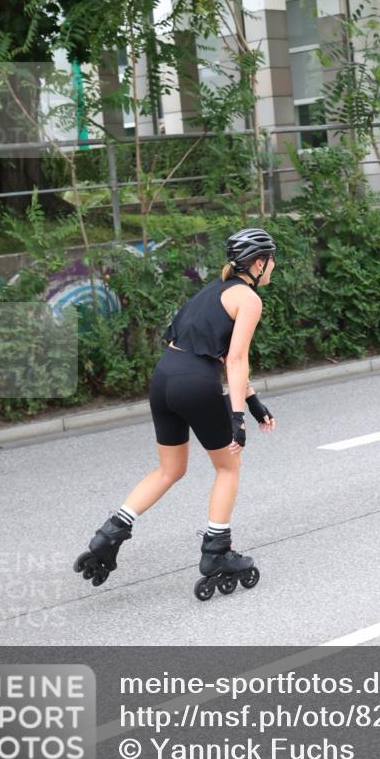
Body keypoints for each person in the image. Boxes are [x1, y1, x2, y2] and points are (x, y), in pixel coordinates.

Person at [73, 227, 277, 601]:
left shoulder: (210, 293)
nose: (273, 267)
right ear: (260, 263)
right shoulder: (248, 299)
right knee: (228, 467)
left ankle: (110, 534)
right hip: (197, 384)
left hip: (164, 378)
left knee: (170, 469)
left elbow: (210, 350)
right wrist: (236, 417)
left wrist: (252, 401)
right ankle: (217, 552)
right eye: (271, 260)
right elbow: (234, 359)